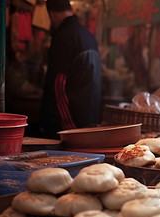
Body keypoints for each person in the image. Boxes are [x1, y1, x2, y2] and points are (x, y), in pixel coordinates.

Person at [39, 0, 102, 139]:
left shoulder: (63, 37)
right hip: (89, 119)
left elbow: (58, 84)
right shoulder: (87, 35)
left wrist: (68, 126)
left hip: (69, 125)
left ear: (52, 14)